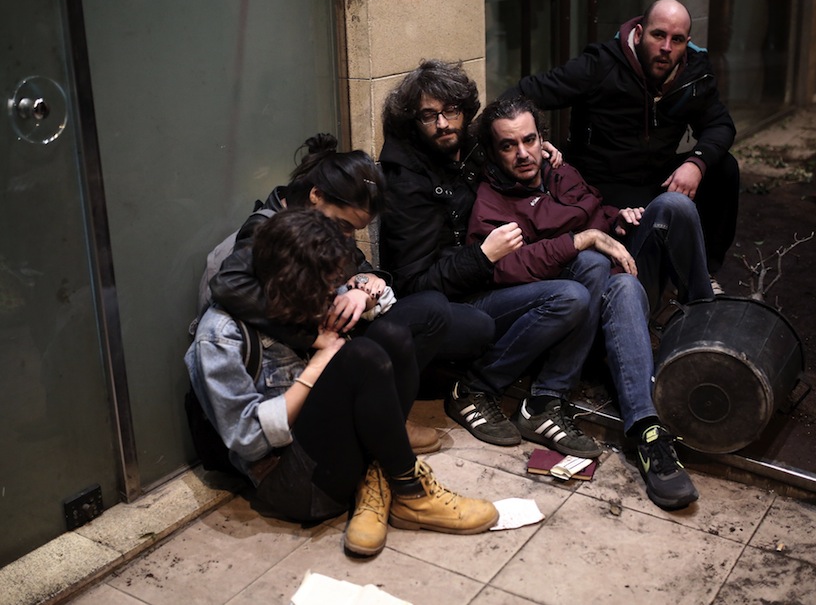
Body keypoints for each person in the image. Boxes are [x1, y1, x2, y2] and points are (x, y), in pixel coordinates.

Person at [186, 208, 499, 557]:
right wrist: (318, 363)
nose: (326, 300)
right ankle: (409, 489)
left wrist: (363, 291)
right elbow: (249, 441)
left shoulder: (296, 292)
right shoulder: (220, 336)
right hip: (294, 481)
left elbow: (384, 303)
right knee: (360, 354)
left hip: (332, 445)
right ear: (286, 283)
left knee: (395, 333)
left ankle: (379, 479)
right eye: (320, 293)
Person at [468, 95, 700, 509]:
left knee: (673, 206)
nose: (523, 153)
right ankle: (644, 432)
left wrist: (615, 219)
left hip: (611, 277)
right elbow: (505, 269)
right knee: (605, 272)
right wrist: (582, 241)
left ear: (542, 138)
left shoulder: (559, 171)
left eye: (529, 140)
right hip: (569, 310)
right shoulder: (491, 202)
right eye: (508, 145)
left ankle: (704, 330)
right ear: (492, 151)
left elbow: (592, 210)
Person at [209, 134, 492, 454]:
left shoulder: (325, 219)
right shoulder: (267, 229)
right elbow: (227, 284)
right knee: (421, 319)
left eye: (354, 230)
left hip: (343, 323)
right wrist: (309, 336)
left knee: (469, 323)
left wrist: (366, 284)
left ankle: (389, 419)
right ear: (316, 194)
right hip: (306, 348)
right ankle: (387, 428)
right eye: (344, 226)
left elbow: (360, 266)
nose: (347, 237)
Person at [379, 59, 601, 459]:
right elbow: (413, 285)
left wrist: (539, 153)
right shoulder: (407, 184)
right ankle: (474, 390)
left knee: (590, 265)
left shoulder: (471, 147)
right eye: (429, 116)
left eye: (451, 110)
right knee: (568, 297)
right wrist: (481, 256)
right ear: (414, 121)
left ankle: (547, 399)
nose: (443, 123)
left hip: (494, 276)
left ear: (466, 111)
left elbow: (512, 145)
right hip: (454, 301)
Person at [505, 0, 739, 279]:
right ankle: (649, 285)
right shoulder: (600, 65)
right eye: (658, 35)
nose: (666, 47)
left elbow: (720, 125)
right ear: (639, 34)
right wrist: (533, 141)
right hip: (604, 182)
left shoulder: (693, 75)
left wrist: (695, 164)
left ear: (686, 43)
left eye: (676, 40)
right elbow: (523, 94)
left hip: (658, 176)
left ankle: (704, 275)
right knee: (637, 238)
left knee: (723, 168)